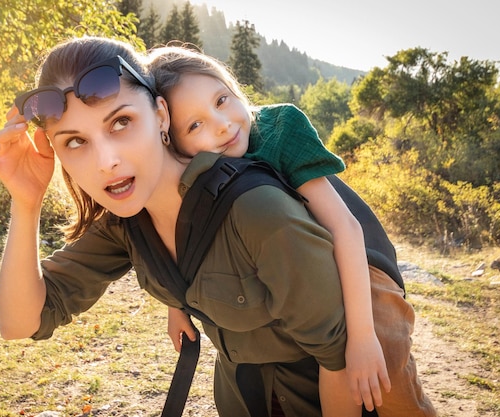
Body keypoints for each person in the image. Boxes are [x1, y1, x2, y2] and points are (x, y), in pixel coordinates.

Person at [0, 35, 366, 417]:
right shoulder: (127, 223)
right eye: (76, 142)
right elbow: (20, 322)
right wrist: (26, 203)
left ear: (161, 115)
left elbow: (339, 360)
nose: (106, 162)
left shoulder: (257, 212)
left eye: (121, 122)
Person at [146, 46, 436, 417]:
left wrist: (362, 337)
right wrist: (176, 305)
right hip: (293, 265)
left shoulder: (279, 130)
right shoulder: (190, 170)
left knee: (385, 366)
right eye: (195, 124)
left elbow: (345, 227)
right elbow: (175, 230)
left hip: (356, 254)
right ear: (173, 144)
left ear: (235, 90)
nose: (221, 123)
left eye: (222, 100)